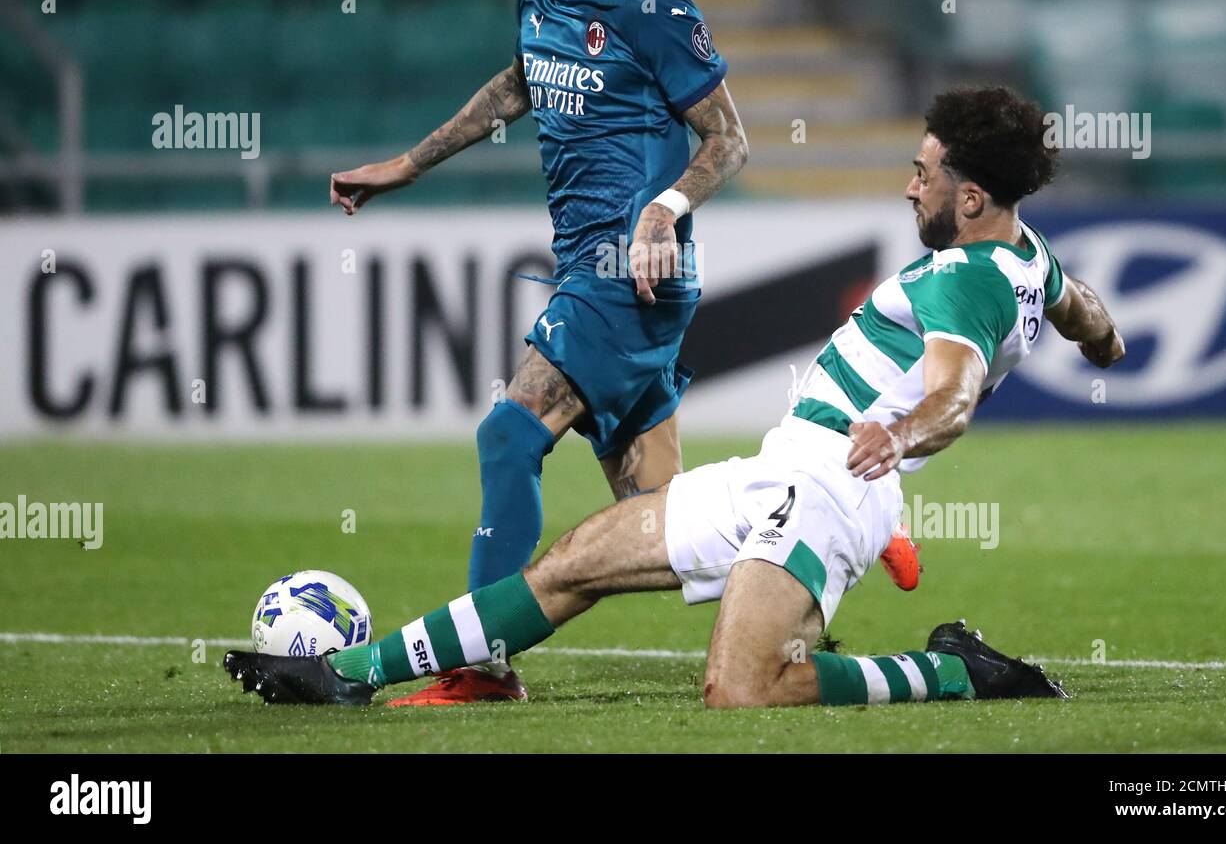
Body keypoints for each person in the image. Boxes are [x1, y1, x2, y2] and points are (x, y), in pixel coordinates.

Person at [233, 86, 1122, 710]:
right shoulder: (1027, 257)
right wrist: (1105, 340)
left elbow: (955, 395)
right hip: (785, 469)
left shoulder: (967, 277)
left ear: (970, 196)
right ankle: (347, 672)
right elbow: (1085, 310)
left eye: (922, 173)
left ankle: (953, 672)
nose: (908, 184)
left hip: (834, 486)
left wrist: (903, 431)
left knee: (743, 690)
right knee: (572, 560)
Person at [326, 0, 752, 705]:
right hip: (592, 274)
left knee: (508, 433)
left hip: (626, 276)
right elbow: (520, 81)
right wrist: (410, 163)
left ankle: (478, 665)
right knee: (662, 528)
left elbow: (729, 139)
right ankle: (799, 530)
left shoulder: (654, 12)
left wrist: (666, 210)